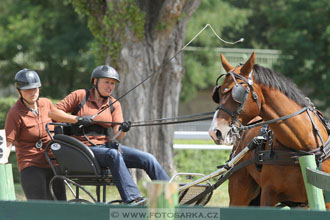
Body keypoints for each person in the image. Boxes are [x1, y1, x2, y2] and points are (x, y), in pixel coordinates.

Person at [48, 65, 170, 204]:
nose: (110, 86)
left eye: (113, 83)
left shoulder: (114, 104)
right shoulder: (80, 95)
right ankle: (133, 199)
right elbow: (52, 113)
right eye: (106, 82)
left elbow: (117, 137)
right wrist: (77, 119)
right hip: (82, 150)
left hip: (105, 148)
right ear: (95, 82)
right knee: (113, 154)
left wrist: (123, 129)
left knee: (148, 158)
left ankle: (169, 196)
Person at [2, 69, 66, 201]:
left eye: (35, 89)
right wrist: (3, 160)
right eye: (27, 89)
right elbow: (8, 142)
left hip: (53, 161)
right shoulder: (15, 112)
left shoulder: (46, 103)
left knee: (61, 206)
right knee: (39, 208)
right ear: (19, 91)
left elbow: (61, 121)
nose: (32, 92)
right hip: (30, 164)